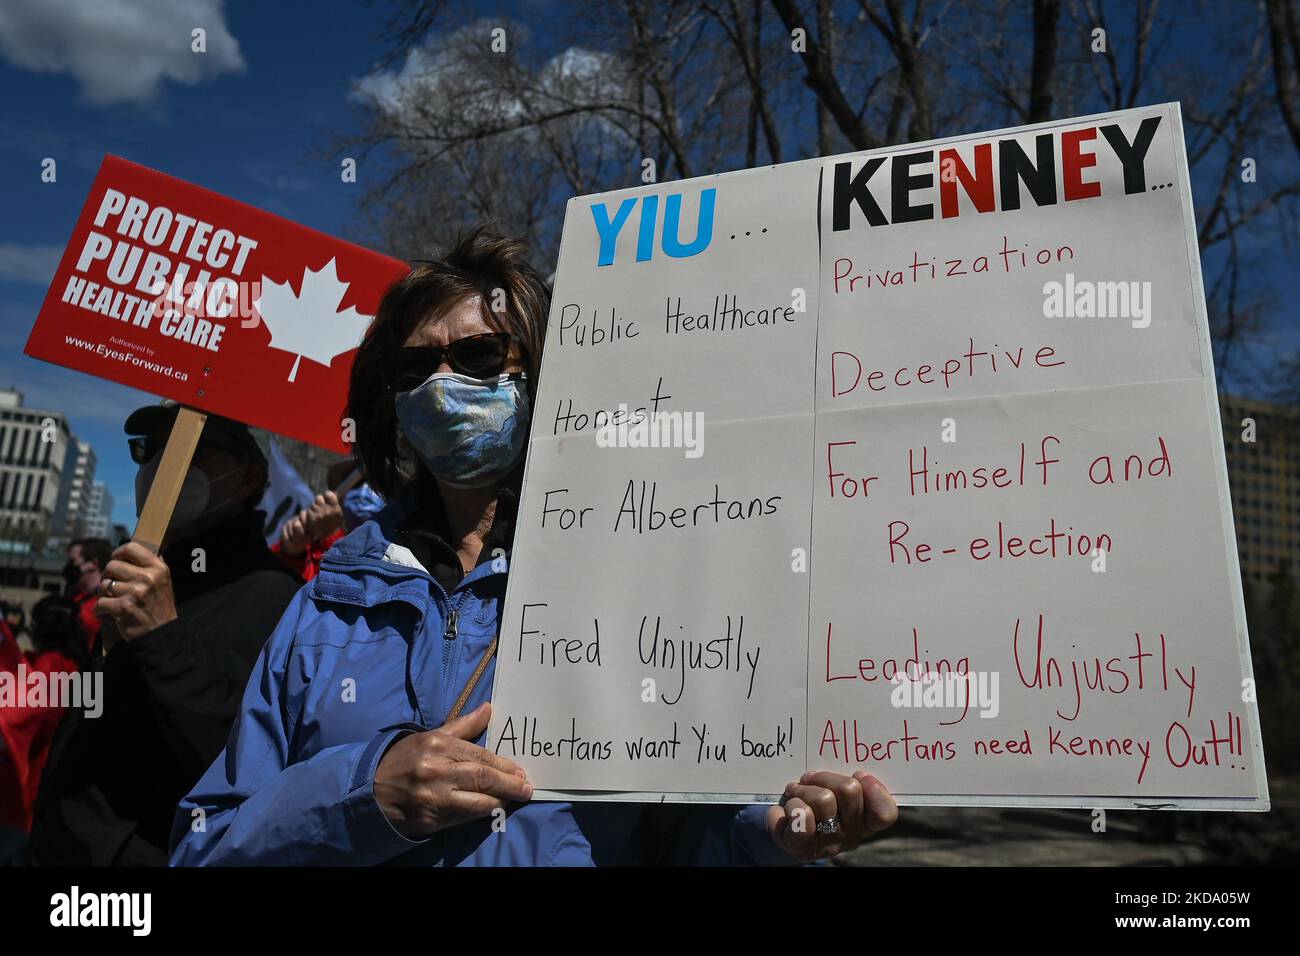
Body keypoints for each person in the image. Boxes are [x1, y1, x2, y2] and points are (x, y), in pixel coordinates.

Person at [171, 227, 898, 866]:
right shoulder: (324, 606)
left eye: (481, 355)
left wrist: (768, 838)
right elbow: (205, 843)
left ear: (545, 372)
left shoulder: (644, 588)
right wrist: (366, 798)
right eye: (412, 368)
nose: (443, 383)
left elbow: (679, 842)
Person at [26, 407, 301, 866]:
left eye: (185, 449)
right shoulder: (146, 572)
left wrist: (161, 634)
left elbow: (239, 758)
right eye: (146, 449)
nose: (157, 465)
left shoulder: (271, 593)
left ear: (246, 479)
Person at [0, 596, 87, 843]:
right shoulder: (78, 666)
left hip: (27, 794)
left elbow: (13, 717)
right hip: (55, 791)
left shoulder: (51, 668)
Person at [63, 538, 111, 650]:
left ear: (93, 564)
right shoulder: (77, 597)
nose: (68, 567)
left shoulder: (104, 604)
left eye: (72, 561)